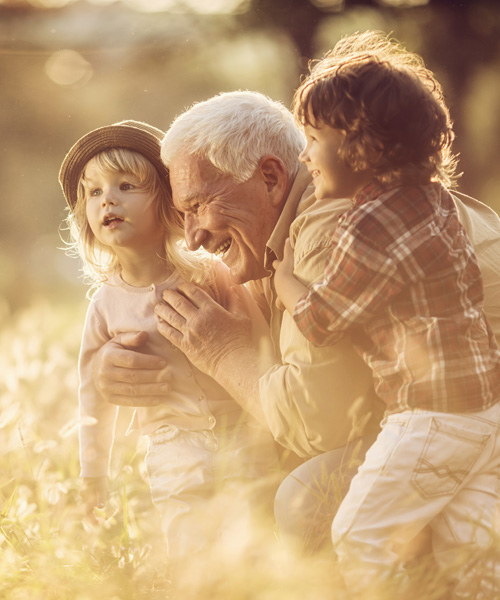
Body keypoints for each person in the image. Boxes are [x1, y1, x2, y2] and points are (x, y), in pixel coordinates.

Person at [92, 89, 500, 557]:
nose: (194, 236)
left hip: (476, 422)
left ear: (269, 176)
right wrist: (118, 360)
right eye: (182, 216)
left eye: (199, 206)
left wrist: (225, 355)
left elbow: (318, 421)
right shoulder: (277, 236)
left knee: (304, 498)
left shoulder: (326, 227)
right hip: (459, 417)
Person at [272, 31, 500, 595]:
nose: (305, 153)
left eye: (315, 137)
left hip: (430, 418)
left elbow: (322, 320)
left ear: (361, 145)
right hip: (484, 415)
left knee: (360, 533)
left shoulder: (372, 223)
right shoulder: (435, 198)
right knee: (465, 549)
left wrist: (283, 281)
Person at [59, 119, 279, 559]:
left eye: (125, 186)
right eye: (94, 192)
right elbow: (92, 399)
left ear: (168, 204)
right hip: (171, 445)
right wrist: (93, 475)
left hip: (243, 435)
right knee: (188, 542)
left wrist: (271, 429)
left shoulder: (209, 273)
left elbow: (260, 342)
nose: (109, 200)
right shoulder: (104, 306)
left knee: (257, 537)